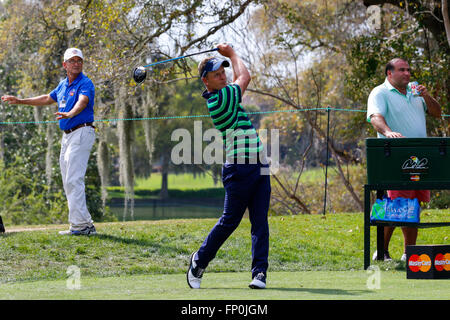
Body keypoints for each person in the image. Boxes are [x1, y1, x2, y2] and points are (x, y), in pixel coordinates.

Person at [187, 43, 271, 289]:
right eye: (217, 74)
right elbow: (245, 76)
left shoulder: (225, 93)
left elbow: (238, 77)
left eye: (223, 71)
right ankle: (199, 260)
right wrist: (232, 53)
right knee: (229, 221)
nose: (223, 75)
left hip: (259, 164)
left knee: (260, 221)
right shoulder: (220, 99)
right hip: (239, 169)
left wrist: (227, 58)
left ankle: (259, 274)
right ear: (206, 82)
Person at [1, 48, 97, 236]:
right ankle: (83, 224)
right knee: (68, 181)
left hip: (82, 131)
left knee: (74, 179)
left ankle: (81, 226)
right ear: (65, 65)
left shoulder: (86, 83)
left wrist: (71, 113)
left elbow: (83, 101)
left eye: (79, 60)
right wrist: (20, 101)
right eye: (72, 60)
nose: (76, 63)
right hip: (67, 136)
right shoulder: (63, 85)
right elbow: (46, 98)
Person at [367, 58, 441, 261]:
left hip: (419, 159)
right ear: (389, 73)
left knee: (413, 203)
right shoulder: (380, 92)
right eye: (402, 70)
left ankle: (410, 254)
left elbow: (437, 113)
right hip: (395, 157)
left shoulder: (415, 90)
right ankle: (381, 251)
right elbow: (375, 117)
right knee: (397, 204)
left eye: (408, 70)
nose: (407, 73)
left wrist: (426, 96)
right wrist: (389, 132)